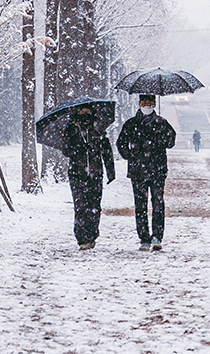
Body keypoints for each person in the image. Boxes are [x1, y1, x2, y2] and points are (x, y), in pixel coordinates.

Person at [116, 94, 177, 249]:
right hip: (138, 171)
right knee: (140, 206)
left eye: (150, 103)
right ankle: (144, 238)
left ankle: (157, 237)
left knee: (158, 204)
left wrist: (158, 142)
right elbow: (121, 143)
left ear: (155, 104)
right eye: (144, 103)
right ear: (139, 103)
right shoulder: (131, 124)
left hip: (157, 170)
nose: (147, 105)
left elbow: (171, 141)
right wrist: (131, 156)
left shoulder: (162, 123)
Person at [61, 104, 115, 250]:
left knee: (94, 207)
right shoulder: (71, 129)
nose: (85, 115)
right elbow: (65, 150)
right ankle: (81, 237)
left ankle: (92, 234)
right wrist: (78, 149)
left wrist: (110, 171)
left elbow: (107, 151)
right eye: (82, 112)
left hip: (95, 173)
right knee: (80, 206)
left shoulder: (99, 130)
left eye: (88, 112)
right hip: (77, 174)